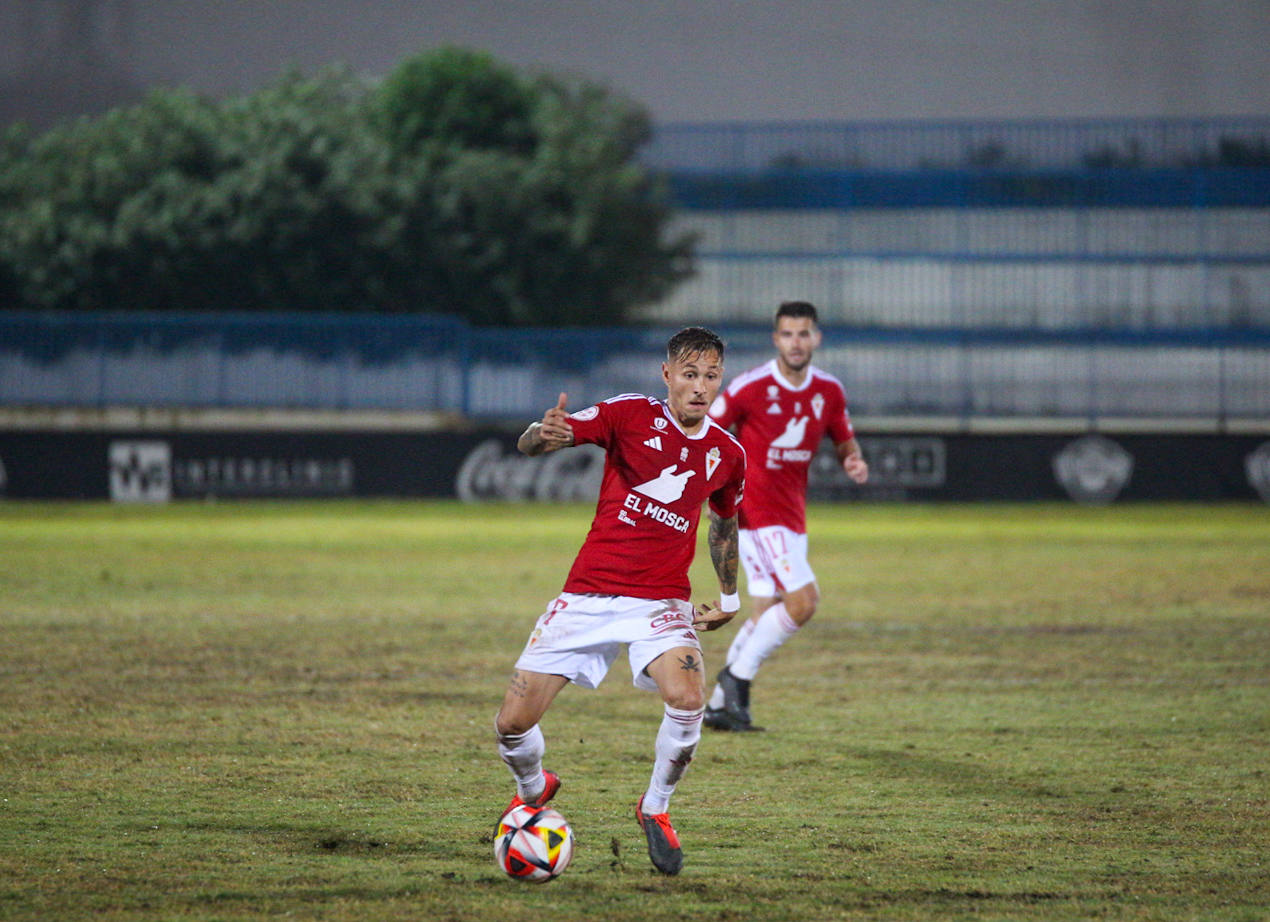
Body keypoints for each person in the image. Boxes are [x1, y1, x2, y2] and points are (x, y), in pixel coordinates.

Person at [494, 326, 747, 876]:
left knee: (688, 696)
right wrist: (544, 431)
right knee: (512, 724)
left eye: (710, 376)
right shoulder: (629, 414)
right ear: (667, 375)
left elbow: (724, 525)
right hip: (588, 592)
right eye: (689, 374)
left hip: (660, 601)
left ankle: (654, 808)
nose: (700, 387)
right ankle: (534, 787)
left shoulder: (727, 454)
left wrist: (729, 595)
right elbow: (535, 442)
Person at [703, 301, 869, 732]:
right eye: (788, 334)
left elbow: (844, 440)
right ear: (776, 339)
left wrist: (852, 460)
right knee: (803, 601)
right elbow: (710, 429)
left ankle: (721, 705)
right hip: (757, 511)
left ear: (816, 338)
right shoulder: (750, 387)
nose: (796, 342)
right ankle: (736, 679)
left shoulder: (829, 390)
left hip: (792, 513)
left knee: (767, 613)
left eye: (804, 333)